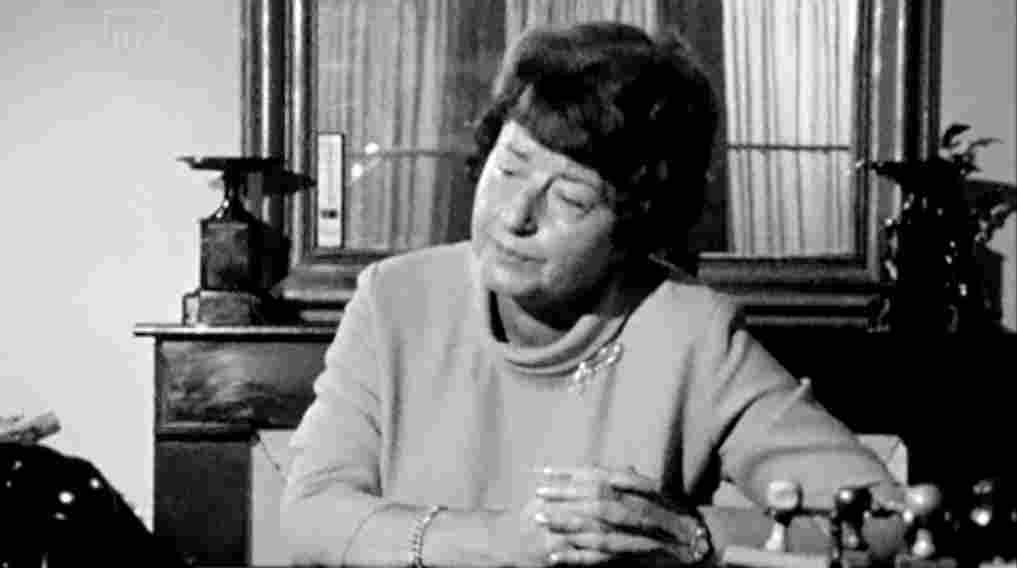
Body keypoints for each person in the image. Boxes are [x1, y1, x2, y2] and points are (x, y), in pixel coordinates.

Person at [281, 21, 904, 567]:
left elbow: (885, 522)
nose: (515, 216)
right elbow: (311, 513)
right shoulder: (395, 301)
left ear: (634, 227)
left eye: (571, 199)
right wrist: (500, 544)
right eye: (509, 167)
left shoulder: (692, 332)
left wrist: (691, 538)